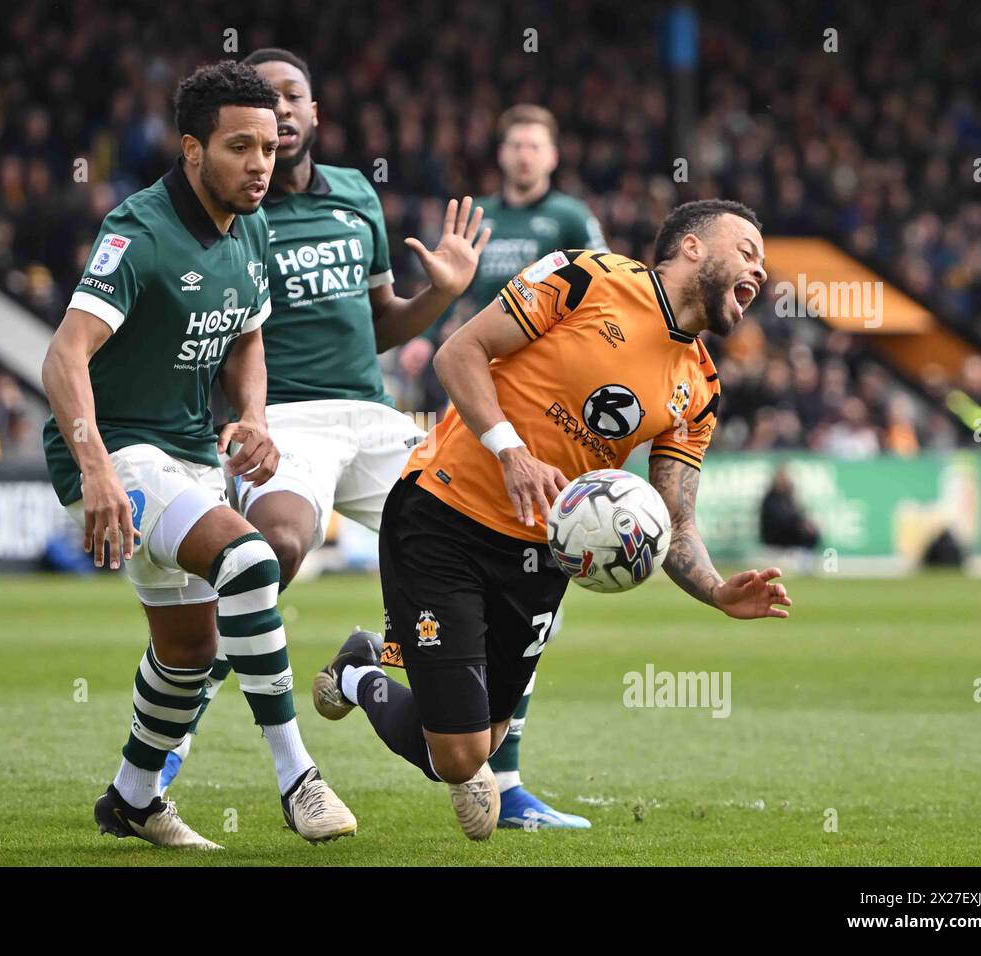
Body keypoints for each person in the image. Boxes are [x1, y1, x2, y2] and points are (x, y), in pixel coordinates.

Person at [313, 200, 793, 840]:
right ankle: (360, 672)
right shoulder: (584, 277)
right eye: (748, 250)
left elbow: (677, 523)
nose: (759, 272)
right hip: (444, 515)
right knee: (458, 758)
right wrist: (510, 451)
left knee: (474, 746)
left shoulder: (700, 388)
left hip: (541, 558)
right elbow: (460, 352)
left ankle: (360, 670)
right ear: (693, 247)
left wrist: (715, 590)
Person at [152, 48, 491, 800]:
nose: (280, 113)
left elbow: (378, 325)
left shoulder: (355, 199)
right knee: (272, 548)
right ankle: (174, 732)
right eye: (264, 104)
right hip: (286, 419)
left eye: (292, 98)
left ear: (313, 114)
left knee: (494, 538)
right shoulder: (231, 208)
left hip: (372, 417)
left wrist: (443, 296)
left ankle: (484, 751)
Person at [41, 61, 354, 850]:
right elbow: (62, 356)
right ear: (190, 150)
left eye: (270, 148)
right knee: (249, 563)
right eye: (240, 147)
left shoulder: (249, 228)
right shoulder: (138, 234)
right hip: (115, 449)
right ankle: (297, 777)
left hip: (185, 451)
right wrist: (98, 469)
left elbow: (248, 333)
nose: (261, 165)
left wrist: (253, 413)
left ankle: (133, 798)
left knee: (190, 651)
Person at [398, 103, 610, 829]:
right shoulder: (477, 217)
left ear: (552, 157)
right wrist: (426, 336)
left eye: (535, 144)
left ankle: (504, 775)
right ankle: (495, 768)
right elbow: (451, 302)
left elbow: (605, 290)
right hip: (478, 401)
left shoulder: (570, 221)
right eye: (514, 142)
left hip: (547, 408)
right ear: (502, 152)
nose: (523, 155)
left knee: (523, 591)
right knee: (473, 551)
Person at [759, 466, 819, 550]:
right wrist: (798, 524)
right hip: (776, 534)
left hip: (788, 530)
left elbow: (797, 514)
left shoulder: (788, 498)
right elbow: (779, 519)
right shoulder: (771, 498)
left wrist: (804, 523)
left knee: (811, 533)